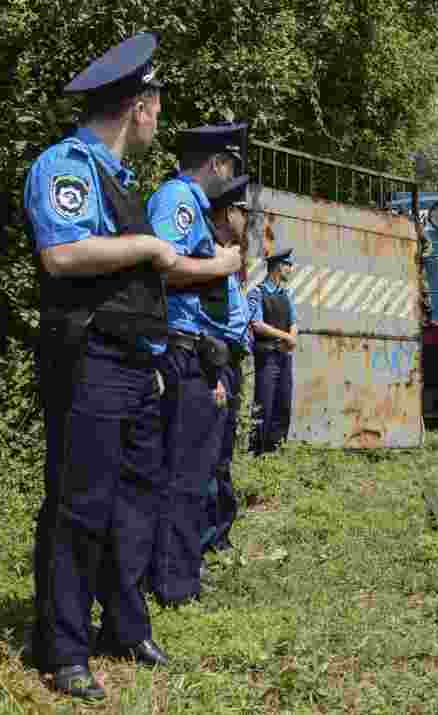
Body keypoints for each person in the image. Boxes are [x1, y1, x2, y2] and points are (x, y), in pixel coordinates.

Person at [24, 32, 176, 700]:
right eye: (157, 104)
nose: (159, 117)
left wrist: (155, 357)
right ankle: (62, 647)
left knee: (134, 502)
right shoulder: (68, 165)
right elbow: (62, 255)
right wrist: (145, 243)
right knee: (79, 505)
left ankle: (123, 624)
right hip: (90, 359)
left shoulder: (119, 180)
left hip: (135, 364)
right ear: (137, 105)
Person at [144, 124, 246, 606]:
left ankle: (175, 574)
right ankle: (173, 584)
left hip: (193, 349)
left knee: (191, 469)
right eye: (229, 168)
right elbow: (162, 266)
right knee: (184, 474)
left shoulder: (190, 206)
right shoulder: (178, 201)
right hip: (178, 351)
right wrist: (220, 267)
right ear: (217, 165)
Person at [200, 173, 256, 555]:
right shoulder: (210, 258)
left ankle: (219, 535)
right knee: (208, 459)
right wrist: (214, 372)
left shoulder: (230, 258)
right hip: (214, 361)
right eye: (243, 212)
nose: (248, 220)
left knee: (221, 456)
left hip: (229, 362)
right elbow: (201, 318)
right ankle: (202, 543)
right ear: (228, 212)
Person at [248, 248, 298, 454]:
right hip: (267, 356)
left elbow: (294, 320)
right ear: (278, 267)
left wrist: (292, 335)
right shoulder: (258, 293)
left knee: (283, 405)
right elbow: (257, 324)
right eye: (288, 265)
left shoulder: (285, 295)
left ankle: (275, 452)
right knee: (264, 405)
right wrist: (286, 336)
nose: (290, 269)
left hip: (284, 357)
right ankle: (257, 451)